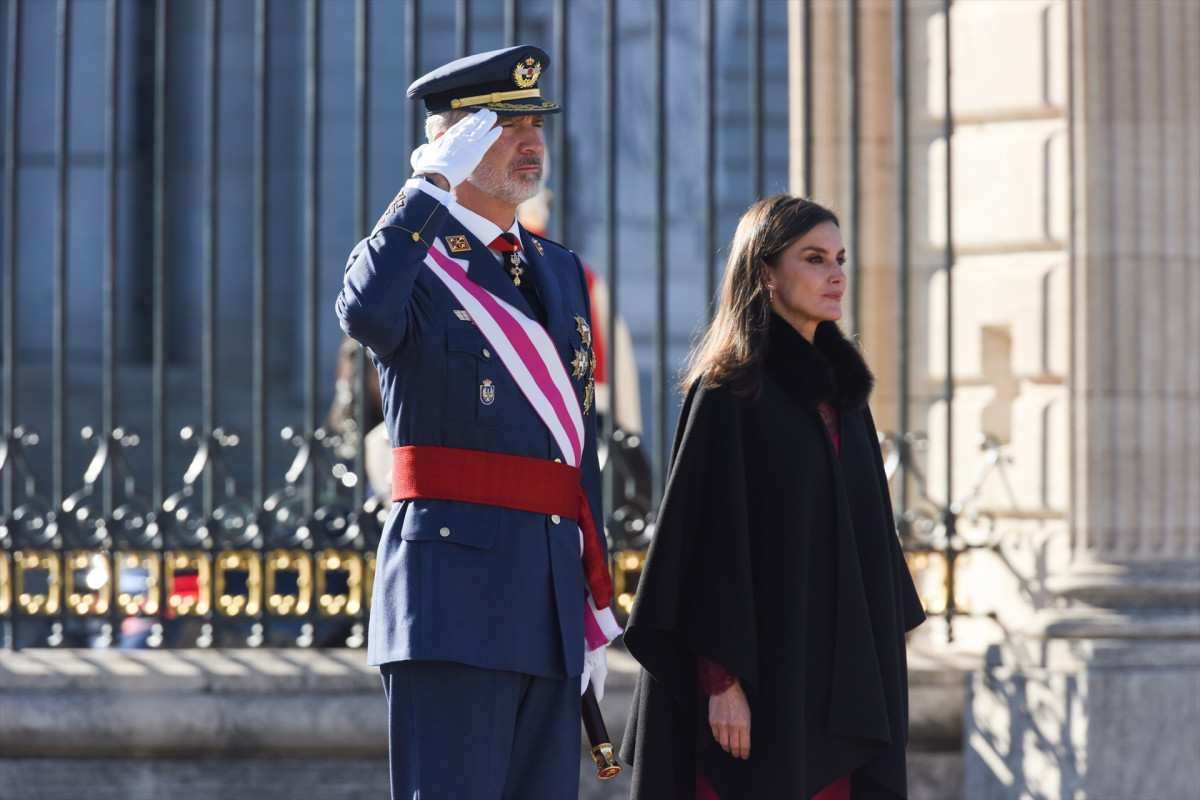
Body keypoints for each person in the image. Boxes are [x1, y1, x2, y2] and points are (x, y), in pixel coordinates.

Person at [335, 45, 621, 799]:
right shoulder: (415, 259)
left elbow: (574, 446)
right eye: (504, 126)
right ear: (451, 141)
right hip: (453, 602)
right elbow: (365, 311)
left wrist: (591, 599)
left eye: (537, 124)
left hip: (550, 603)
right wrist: (426, 184)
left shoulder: (559, 269)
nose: (532, 142)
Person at [619, 195, 926, 799]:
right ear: (765, 271)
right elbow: (704, 546)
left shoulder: (845, 398)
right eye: (813, 258)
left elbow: (868, 551)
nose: (836, 274)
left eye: (839, 258)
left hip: (836, 695)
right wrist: (721, 682)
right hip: (752, 694)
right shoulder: (730, 389)